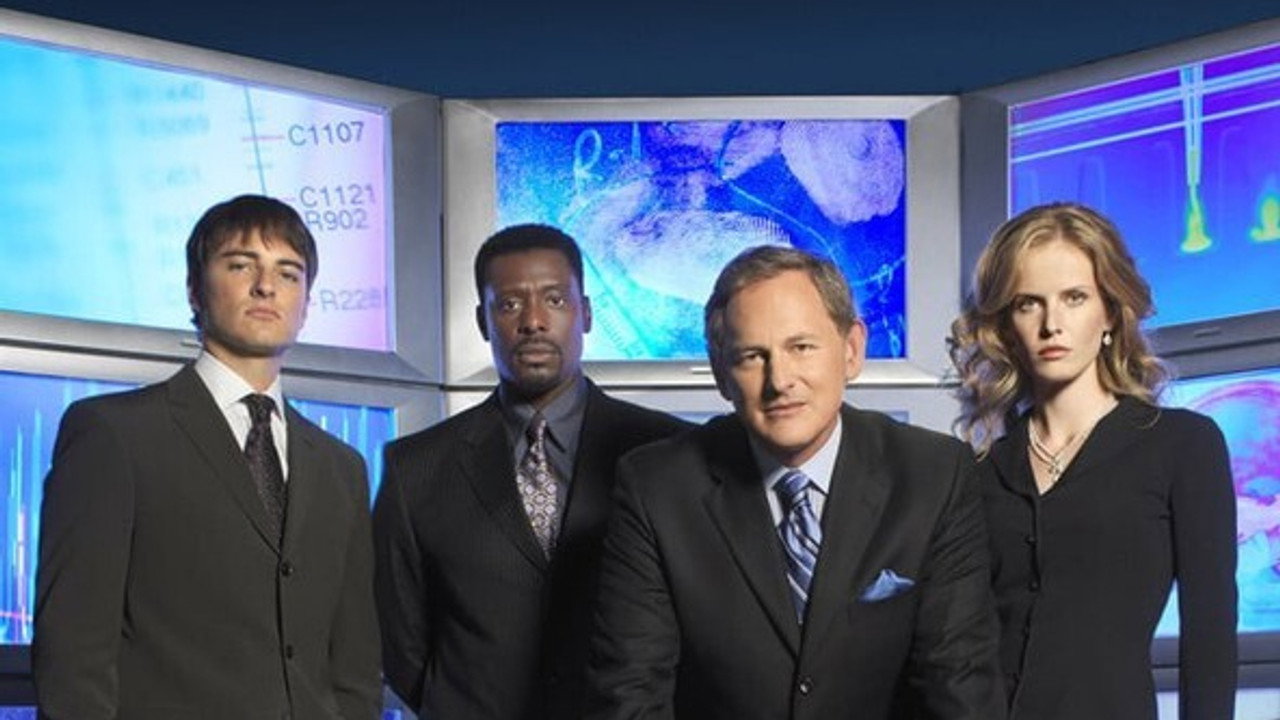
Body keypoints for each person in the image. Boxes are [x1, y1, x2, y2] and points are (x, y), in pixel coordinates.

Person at [585, 245, 1005, 719]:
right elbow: (630, 694)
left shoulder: (933, 474)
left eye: (801, 347)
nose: (780, 380)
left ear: (851, 350)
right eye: (752, 356)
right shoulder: (656, 487)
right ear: (721, 372)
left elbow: (960, 685)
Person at [33, 195, 381, 719]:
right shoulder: (114, 434)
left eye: (288, 273)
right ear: (195, 290)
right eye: (241, 265)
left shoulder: (341, 467)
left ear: (306, 304)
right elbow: (73, 651)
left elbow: (354, 660)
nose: (266, 286)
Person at [373, 224, 690, 719]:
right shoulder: (415, 468)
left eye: (555, 300)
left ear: (587, 313)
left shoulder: (665, 450)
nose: (534, 322)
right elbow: (400, 642)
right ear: (482, 322)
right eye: (509, 304)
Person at [948, 202, 1237, 719]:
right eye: (1028, 304)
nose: (1051, 324)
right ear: (1006, 324)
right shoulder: (980, 472)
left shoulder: (1182, 445)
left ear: (1109, 312)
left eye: (1074, 298)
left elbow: (1210, 635)